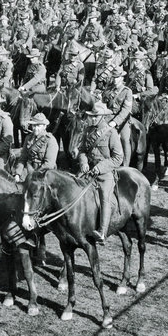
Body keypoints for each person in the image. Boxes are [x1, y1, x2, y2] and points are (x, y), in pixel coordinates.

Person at [71, 101, 123, 244]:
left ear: (102, 117)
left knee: (104, 198)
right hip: (88, 171)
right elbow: (82, 150)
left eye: (96, 116)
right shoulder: (87, 131)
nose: (93, 119)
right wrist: (84, 162)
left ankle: (102, 231)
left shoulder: (111, 133)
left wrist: (99, 168)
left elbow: (118, 158)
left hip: (104, 173)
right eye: (92, 116)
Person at [10, 112, 58, 181]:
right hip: (29, 169)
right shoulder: (28, 138)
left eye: (38, 126)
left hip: (44, 173)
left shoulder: (50, 140)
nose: (35, 128)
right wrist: (18, 173)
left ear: (44, 126)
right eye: (33, 126)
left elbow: (49, 164)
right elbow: (23, 158)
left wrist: (34, 174)